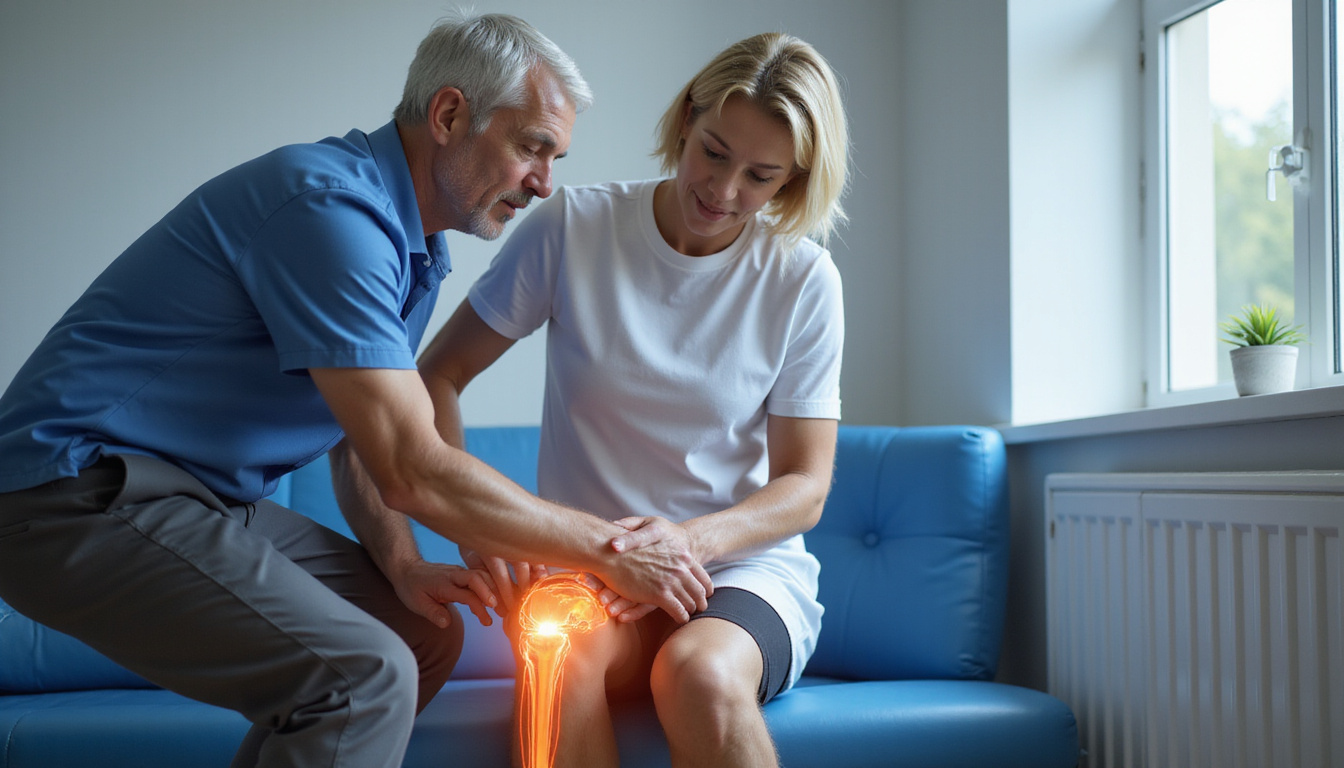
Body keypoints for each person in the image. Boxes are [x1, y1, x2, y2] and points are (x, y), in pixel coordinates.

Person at [0, 12, 711, 768]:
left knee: (423, 633)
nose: (543, 183)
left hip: (192, 502)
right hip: (70, 496)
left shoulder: (413, 249)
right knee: (362, 676)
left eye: (555, 157)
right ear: (449, 114)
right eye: (532, 148)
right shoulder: (329, 211)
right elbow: (410, 467)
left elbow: (358, 440)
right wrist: (610, 550)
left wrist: (403, 565)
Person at [418, 31, 849, 768]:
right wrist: (479, 530)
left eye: (761, 176)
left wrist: (687, 543)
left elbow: (804, 489)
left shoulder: (803, 280)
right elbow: (438, 376)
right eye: (714, 152)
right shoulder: (573, 228)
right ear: (686, 118)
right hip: (584, 568)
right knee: (558, 658)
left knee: (700, 678)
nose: (724, 191)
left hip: (734, 572)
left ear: (794, 181)